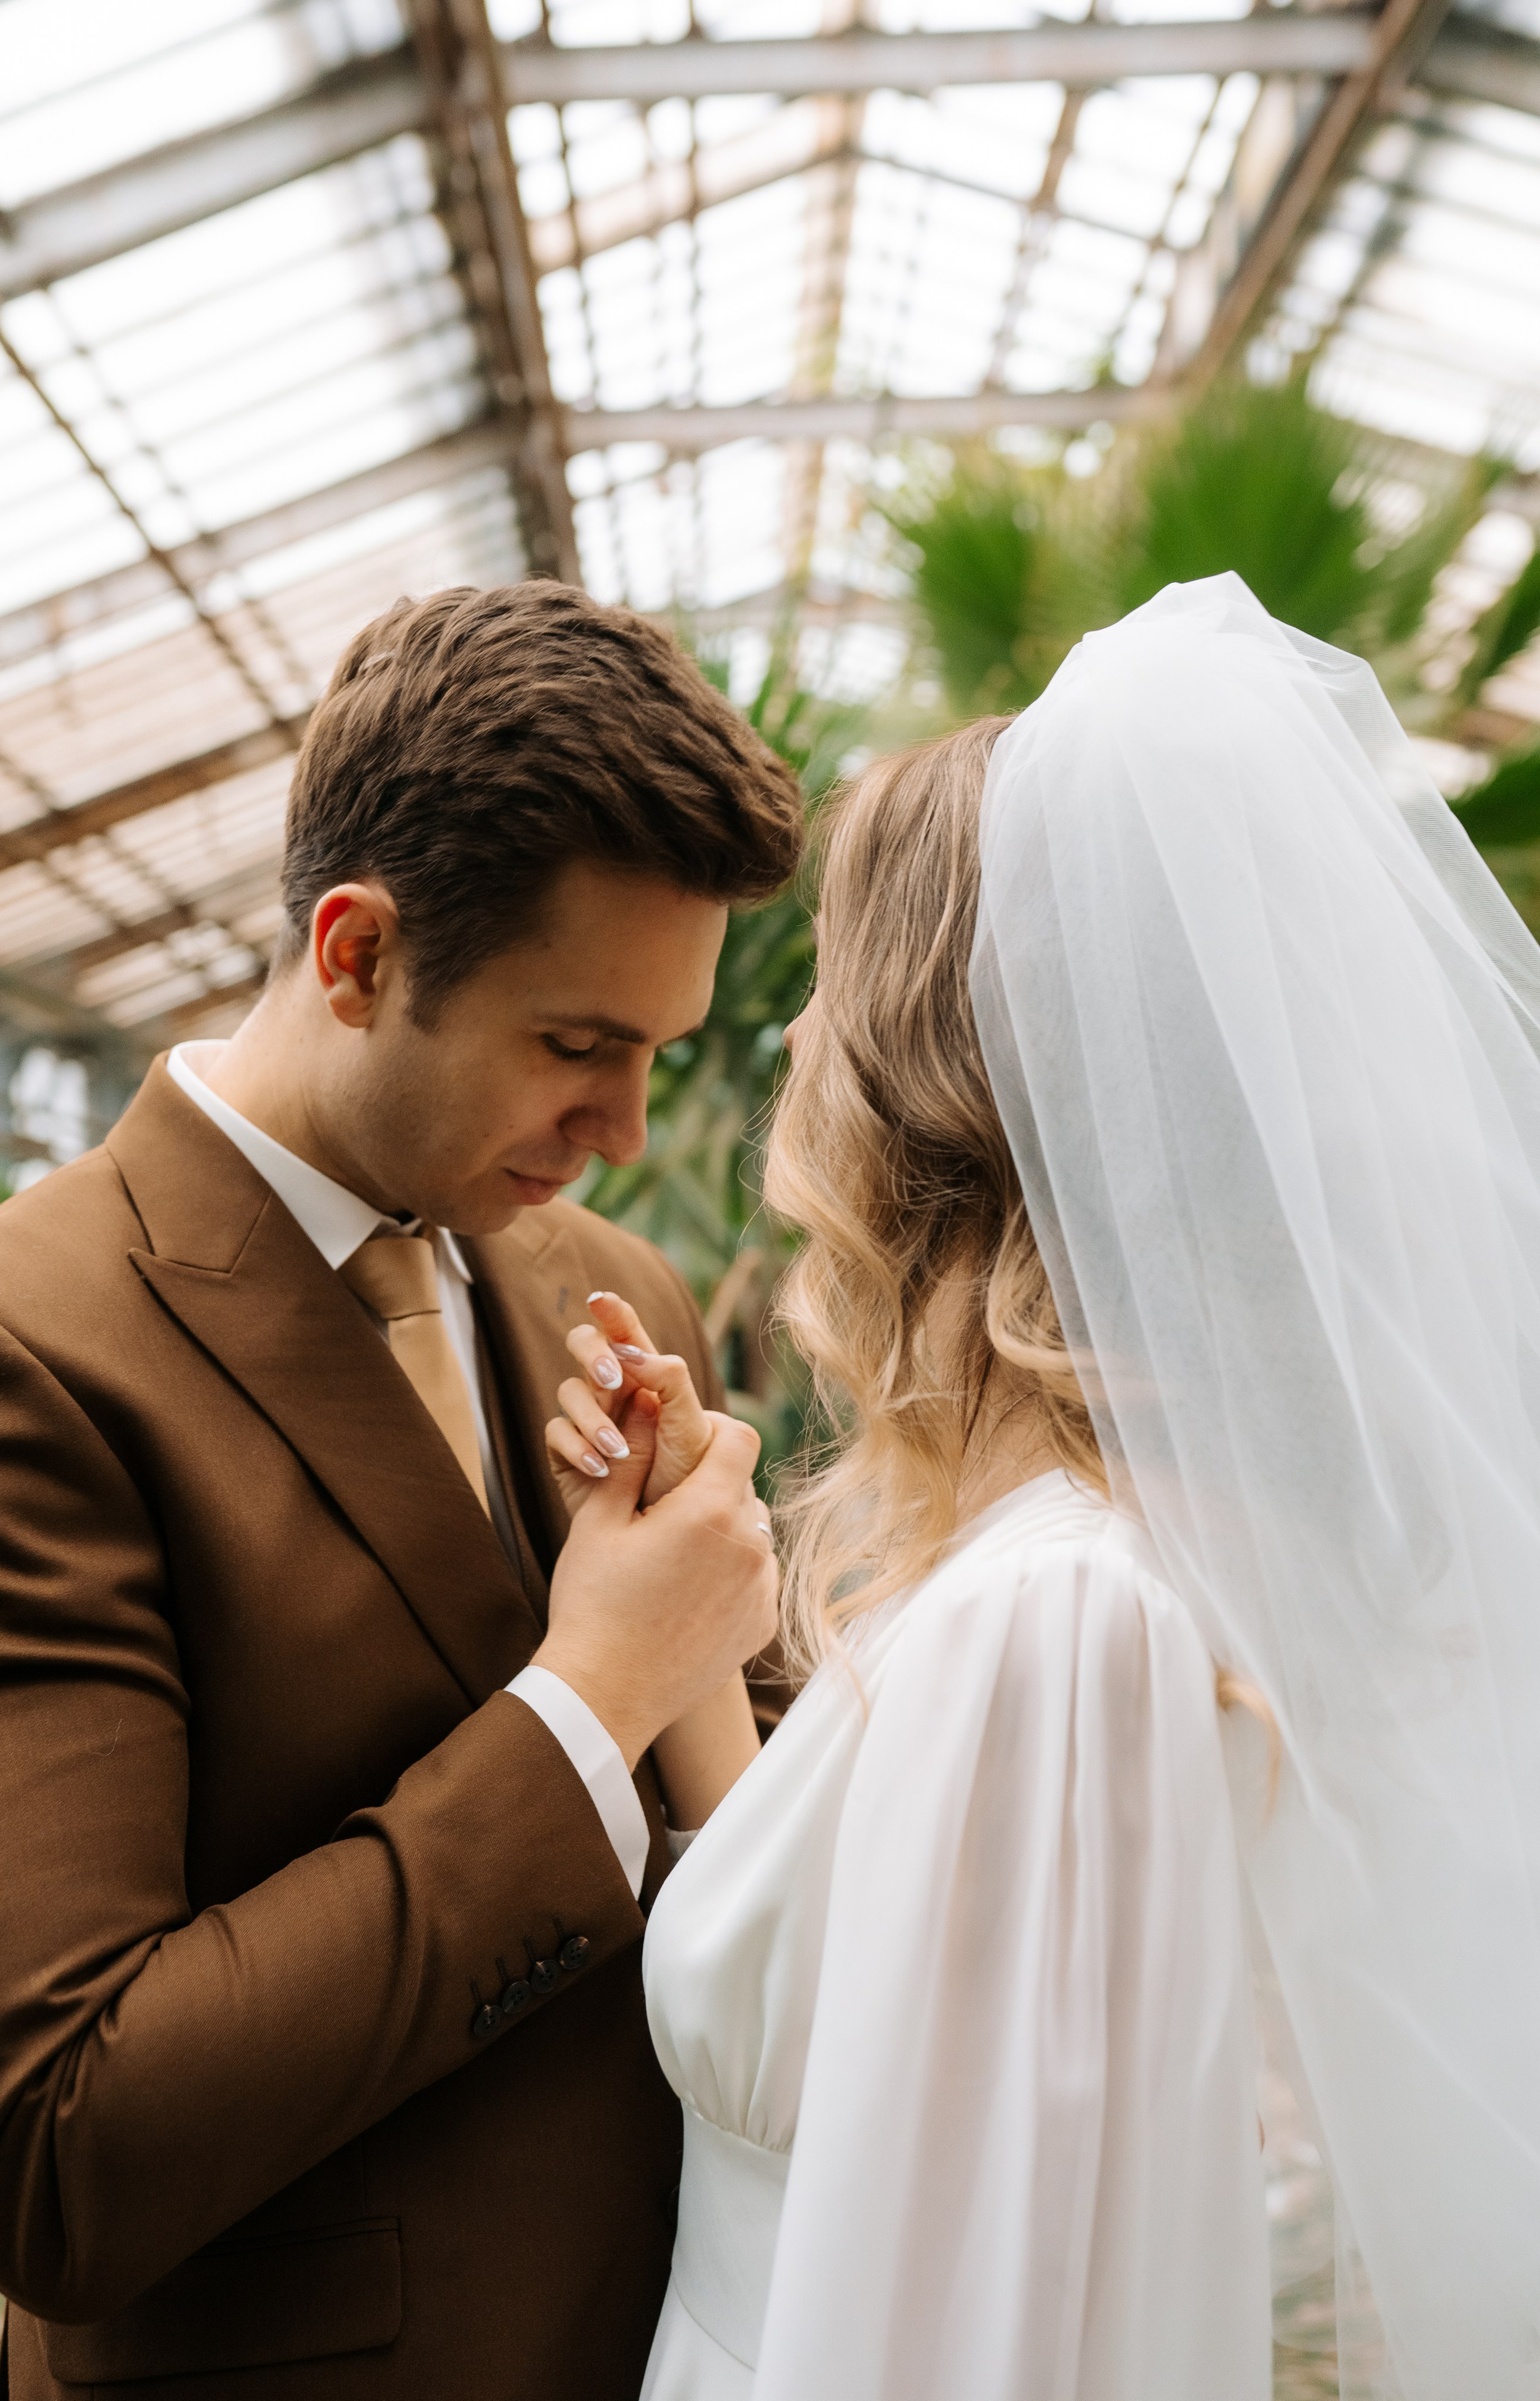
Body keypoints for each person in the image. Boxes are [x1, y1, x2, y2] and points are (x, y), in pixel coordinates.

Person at [561, 576, 1540, 2399]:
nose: (786, 1045)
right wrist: (682, 1619)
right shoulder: (1039, 1575)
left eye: (831, 988)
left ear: (924, 1090)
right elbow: (863, 1991)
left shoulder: (1054, 1618)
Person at [0, 581, 799, 2401]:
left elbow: (755, 1847)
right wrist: (591, 1702)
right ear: (355, 956)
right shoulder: (8, 1352)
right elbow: (54, 2148)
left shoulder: (611, 1294)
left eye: (661, 1051)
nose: (629, 1130)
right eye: (578, 1046)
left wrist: (733, 1664)